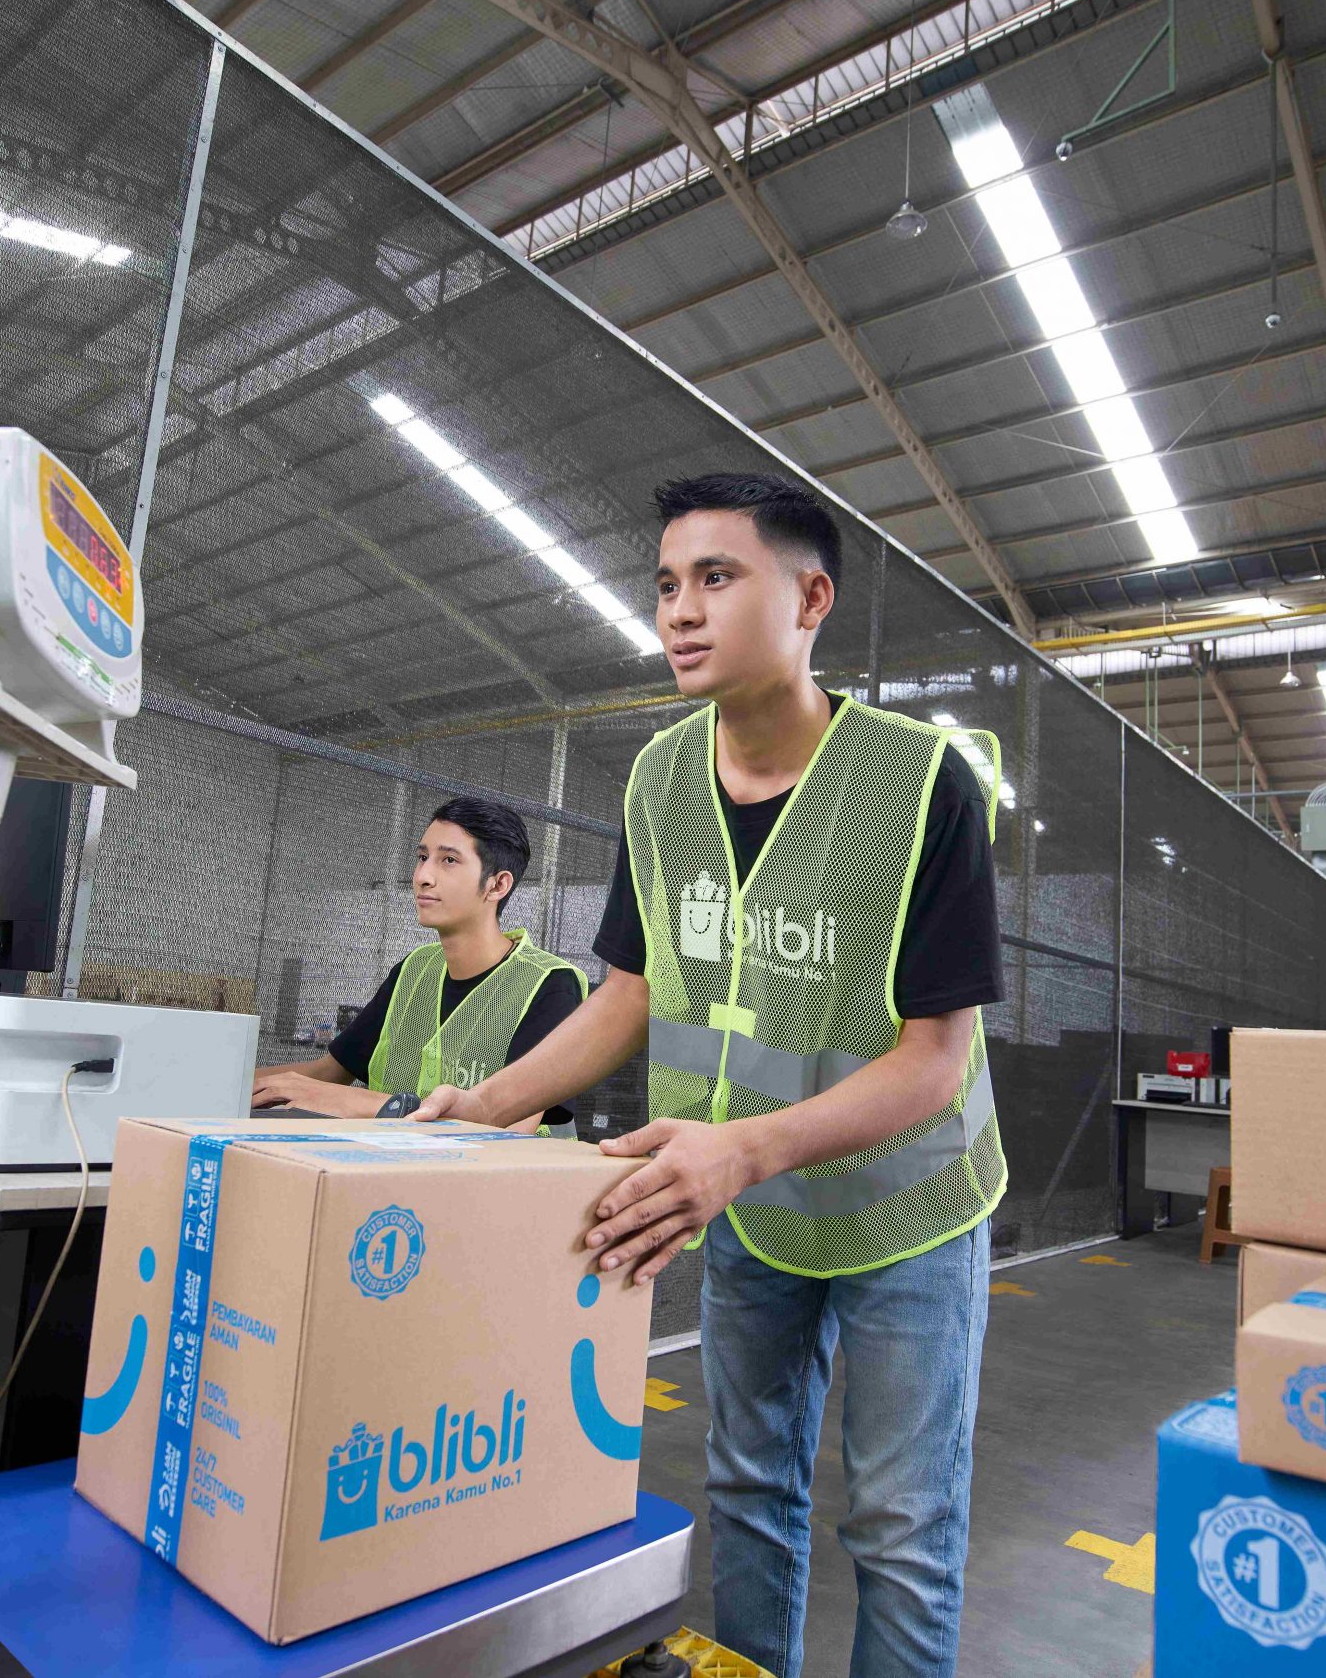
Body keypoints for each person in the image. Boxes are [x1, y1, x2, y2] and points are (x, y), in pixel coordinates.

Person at [413, 471, 1005, 1678]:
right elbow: (628, 995)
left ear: (810, 599)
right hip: (743, 1210)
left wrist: (739, 1150)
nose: (680, 611)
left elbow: (933, 1061)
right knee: (747, 1489)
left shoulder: (919, 782)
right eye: (667, 585)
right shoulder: (657, 780)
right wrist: (483, 1106)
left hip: (907, 1213)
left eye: (717, 578)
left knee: (900, 1527)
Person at [250, 797, 585, 1133]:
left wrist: (371, 1104)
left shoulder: (549, 985)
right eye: (423, 857)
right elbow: (328, 1073)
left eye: (449, 860)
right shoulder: (413, 970)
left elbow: (513, 1131)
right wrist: (229, 1081)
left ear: (497, 885)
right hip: (385, 1160)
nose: (423, 876)